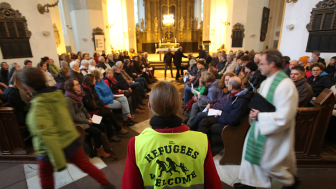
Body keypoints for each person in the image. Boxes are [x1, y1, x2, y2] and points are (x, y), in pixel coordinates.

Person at [18, 68, 116, 189]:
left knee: (45, 176)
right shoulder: (56, 95)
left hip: (51, 147)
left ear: (28, 85)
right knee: (85, 164)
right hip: (70, 137)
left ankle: (106, 181)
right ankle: (106, 183)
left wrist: (58, 162)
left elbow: (48, 136)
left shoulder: (39, 106)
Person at [122, 81, 222, 189]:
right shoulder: (201, 140)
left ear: (149, 106)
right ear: (180, 104)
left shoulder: (136, 144)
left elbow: (130, 185)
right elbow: (213, 184)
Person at [235, 49, 299, 189]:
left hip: (274, 133)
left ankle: (291, 182)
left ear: (272, 63)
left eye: (262, 64)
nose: (259, 67)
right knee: (253, 158)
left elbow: (285, 116)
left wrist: (259, 115)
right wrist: (254, 112)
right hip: (260, 127)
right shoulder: (267, 82)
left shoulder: (286, 85)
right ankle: (249, 184)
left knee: (269, 163)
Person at [64, 78, 110, 158]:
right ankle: (97, 150)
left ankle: (104, 145)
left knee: (102, 125)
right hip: (77, 123)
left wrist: (89, 117)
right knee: (97, 131)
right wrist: (86, 121)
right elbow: (72, 116)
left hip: (85, 119)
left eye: (79, 83)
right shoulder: (68, 99)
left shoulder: (78, 95)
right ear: (71, 87)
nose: (79, 85)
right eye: (77, 84)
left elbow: (83, 108)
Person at [197, 76, 252, 141]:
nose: (226, 85)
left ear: (231, 87)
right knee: (204, 121)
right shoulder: (235, 94)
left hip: (228, 125)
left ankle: (205, 146)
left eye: (228, 83)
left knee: (205, 124)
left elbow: (232, 121)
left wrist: (218, 117)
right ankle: (203, 144)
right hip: (223, 116)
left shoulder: (240, 101)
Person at [81, 74, 128, 142]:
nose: (95, 80)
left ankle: (111, 136)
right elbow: (91, 106)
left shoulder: (92, 87)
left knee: (108, 118)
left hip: (97, 109)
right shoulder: (85, 92)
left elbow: (98, 100)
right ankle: (118, 129)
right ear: (90, 81)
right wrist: (101, 107)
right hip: (91, 113)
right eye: (93, 79)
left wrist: (103, 105)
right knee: (109, 113)